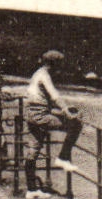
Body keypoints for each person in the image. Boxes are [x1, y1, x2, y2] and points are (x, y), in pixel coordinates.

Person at [25, 49, 83, 191]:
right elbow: (54, 96)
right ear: (54, 64)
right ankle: (62, 158)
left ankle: (31, 190)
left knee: (33, 151)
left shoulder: (37, 74)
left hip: (31, 115)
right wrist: (67, 112)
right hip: (40, 117)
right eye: (59, 65)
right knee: (75, 124)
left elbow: (39, 99)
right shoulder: (45, 76)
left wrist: (62, 110)